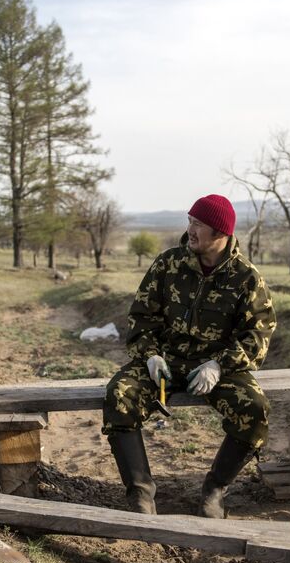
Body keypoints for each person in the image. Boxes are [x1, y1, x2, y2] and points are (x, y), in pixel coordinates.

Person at [102, 194, 277, 518]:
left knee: (254, 409)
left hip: (216, 367)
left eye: (198, 224)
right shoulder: (168, 264)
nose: (190, 230)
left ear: (220, 233)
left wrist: (218, 365)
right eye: (190, 221)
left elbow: (258, 334)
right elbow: (141, 317)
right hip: (164, 362)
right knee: (119, 397)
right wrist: (151, 356)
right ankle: (140, 494)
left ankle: (214, 490)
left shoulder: (246, 277)